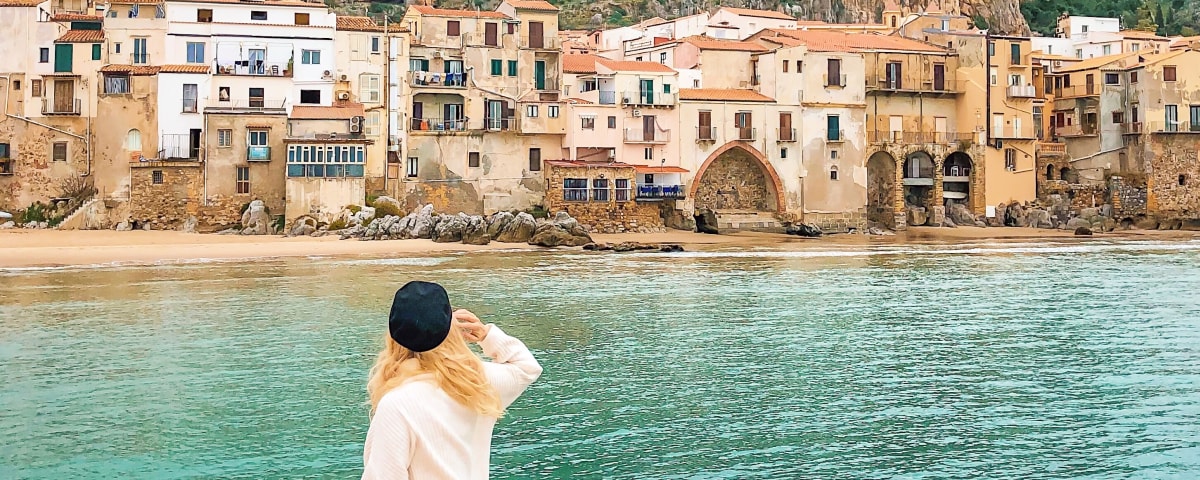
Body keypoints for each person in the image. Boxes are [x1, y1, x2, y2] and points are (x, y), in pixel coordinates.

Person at [362, 281, 542, 479]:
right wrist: (486, 335)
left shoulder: (397, 404)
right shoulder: (476, 382)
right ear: (451, 329)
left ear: (392, 336)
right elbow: (527, 368)